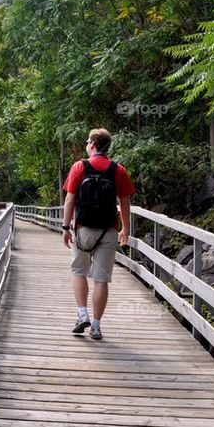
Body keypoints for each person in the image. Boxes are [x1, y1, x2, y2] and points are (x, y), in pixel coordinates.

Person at [61, 128, 135, 339]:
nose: (86, 144)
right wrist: (125, 229)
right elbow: (124, 202)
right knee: (101, 279)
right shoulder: (117, 170)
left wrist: (66, 228)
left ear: (93, 144)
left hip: (82, 229)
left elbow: (69, 200)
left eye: (87, 141)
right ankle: (96, 325)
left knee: (79, 272)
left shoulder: (79, 166)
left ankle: (82, 314)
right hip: (107, 231)